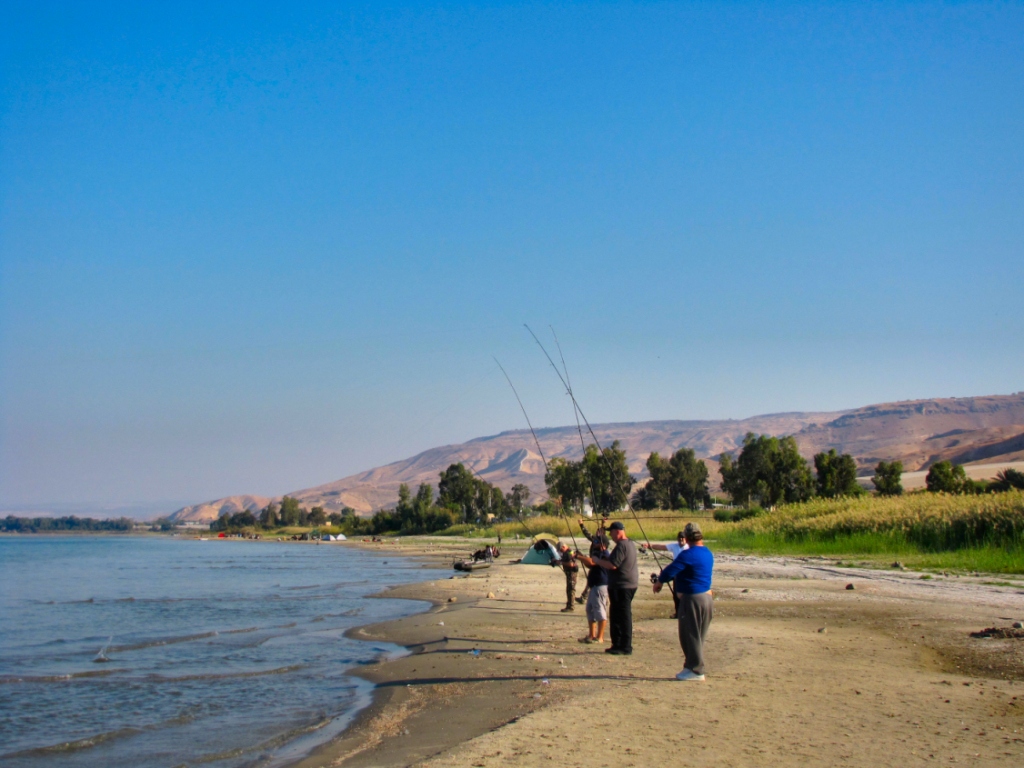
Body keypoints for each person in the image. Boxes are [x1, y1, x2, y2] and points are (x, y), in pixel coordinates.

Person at [653, 522, 714, 681]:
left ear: (686, 538)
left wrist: (659, 582)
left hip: (692, 599)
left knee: (689, 636)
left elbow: (670, 570)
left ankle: (695, 670)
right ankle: (691, 666)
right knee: (698, 635)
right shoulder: (707, 553)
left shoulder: (688, 554)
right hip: (707, 598)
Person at [589, 521, 638, 655]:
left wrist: (597, 560)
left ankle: (623, 646)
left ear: (618, 531)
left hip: (622, 586)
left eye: (611, 532)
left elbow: (613, 565)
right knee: (622, 615)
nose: (610, 535)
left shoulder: (622, 545)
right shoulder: (629, 544)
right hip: (629, 584)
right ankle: (620, 644)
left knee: (620, 616)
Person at [642, 531, 689, 618]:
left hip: (685, 572)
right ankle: (678, 612)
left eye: (683, 538)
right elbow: (662, 547)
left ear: (686, 539)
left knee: (684, 593)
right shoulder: (674, 546)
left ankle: (685, 612)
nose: (681, 540)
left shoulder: (689, 547)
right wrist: (649, 546)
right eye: (679, 538)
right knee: (675, 593)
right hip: (676, 571)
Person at [575, 539, 610, 644]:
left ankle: (600, 637)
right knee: (590, 609)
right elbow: (590, 565)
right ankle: (591, 635)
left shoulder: (604, 554)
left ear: (602, 544)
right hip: (594, 586)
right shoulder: (597, 553)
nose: (593, 543)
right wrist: (581, 557)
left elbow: (592, 561)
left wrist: (578, 557)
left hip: (600, 585)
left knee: (600, 611)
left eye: (596, 541)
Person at [575, 518, 609, 604]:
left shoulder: (600, 541)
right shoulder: (595, 539)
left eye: (599, 532)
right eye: (597, 532)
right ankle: (584, 597)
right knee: (591, 580)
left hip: (598, 563)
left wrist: (603, 523)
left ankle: (584, 597)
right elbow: (588, 534)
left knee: (596, 581)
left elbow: (589, 533)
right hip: (593, 561)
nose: (597, 533)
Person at [554, 542, 579, 612]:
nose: (560, 552)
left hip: (572, 573)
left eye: (561, 550)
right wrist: (557, 561)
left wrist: (561, 563)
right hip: (569, 573)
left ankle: (571, 606)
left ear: (563, 547)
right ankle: (569, 605)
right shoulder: (567, 552)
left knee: (571, 589)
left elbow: (571, 564)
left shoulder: (569, 553)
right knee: (568, 589)